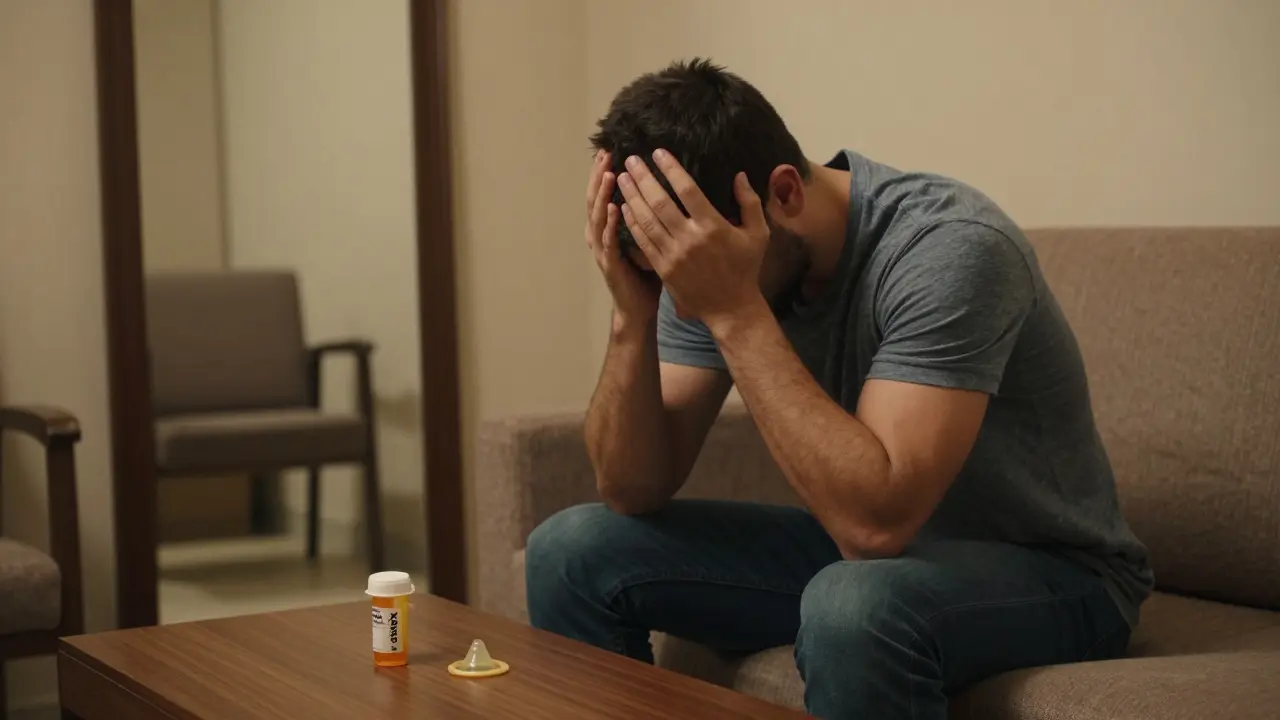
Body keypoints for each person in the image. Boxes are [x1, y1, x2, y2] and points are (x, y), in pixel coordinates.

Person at [525, 58, 1152, 719]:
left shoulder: (950, 247)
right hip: (883, 558)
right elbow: (632, 486)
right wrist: (632, 316)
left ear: (786, 192)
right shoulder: (718, 261)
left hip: (1056, 573)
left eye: (691, 277)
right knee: (571, 551)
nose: (687, 305)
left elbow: (874, 526)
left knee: (853, 604)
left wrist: (735, 311)